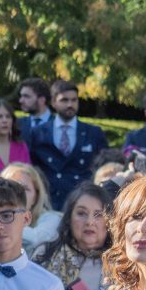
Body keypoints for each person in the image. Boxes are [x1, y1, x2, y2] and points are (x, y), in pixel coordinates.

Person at [29, 80, 108, 210]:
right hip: (48, 201)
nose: (70, 104)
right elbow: (32, 166)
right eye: (64, 100)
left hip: (82, 200)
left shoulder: (93, 132)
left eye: (74, 100)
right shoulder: (38, 133)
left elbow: (104, 166)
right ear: (53, 102)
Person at [0, 163, 60, 251]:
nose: (18, 193)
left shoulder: (52, 219)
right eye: (11, 187)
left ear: (35, 197)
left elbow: (35, 240)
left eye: (25, 188)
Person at [16, 77, 51, 145]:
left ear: (42, 100)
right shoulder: (17, 124)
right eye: (21, 96)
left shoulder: (59, 125)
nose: (20, 101)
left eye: (26, 96)